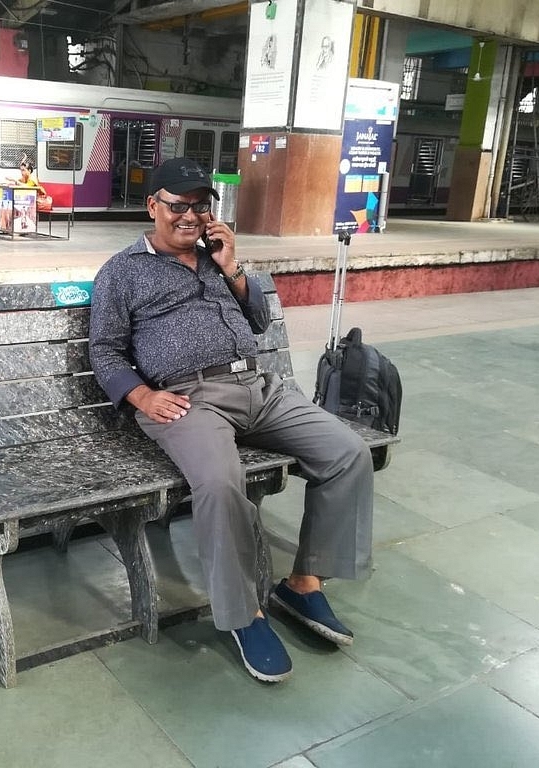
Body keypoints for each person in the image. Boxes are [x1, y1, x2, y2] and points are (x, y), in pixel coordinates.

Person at [89, 157, 374, 683]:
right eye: (178, 205)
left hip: (259, 387)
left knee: (348, 453)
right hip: (186, 397)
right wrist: (142, 397)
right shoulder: (122, 272)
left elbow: (259, 322)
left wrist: (234, 270)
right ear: (153, 206)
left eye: (201, 206)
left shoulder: (217, 258)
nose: (191, 216)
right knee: (221, 483)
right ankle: (246, 614)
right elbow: (104, 352)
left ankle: (303, 584)